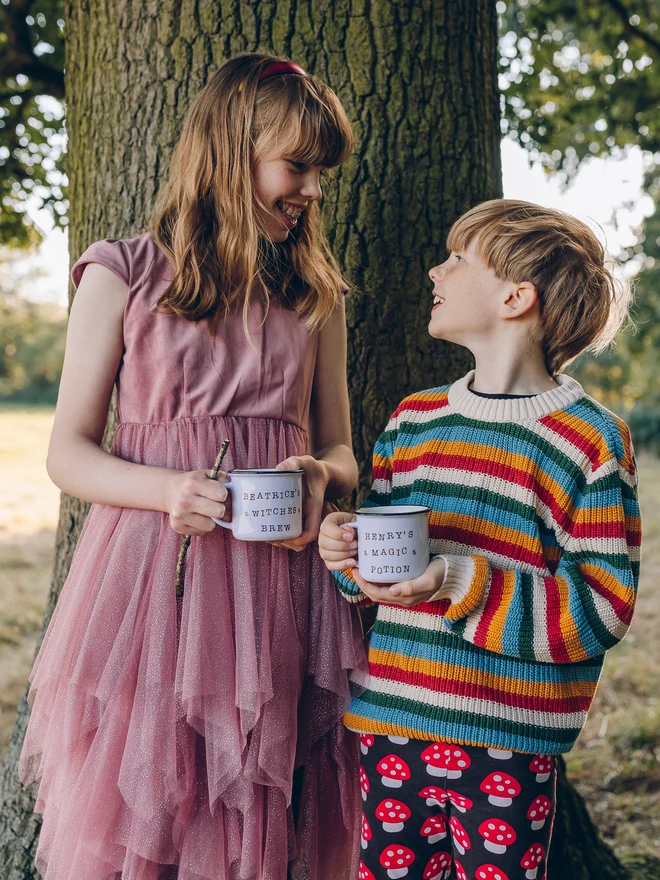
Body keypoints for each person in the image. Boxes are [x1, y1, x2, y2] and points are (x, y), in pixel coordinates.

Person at [19, 52, 367, 880]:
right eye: (297, 166)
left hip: (278, 589)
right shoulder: (123, 275)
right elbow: (68, 451)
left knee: (267, 797)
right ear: (230, 150)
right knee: (153, 793)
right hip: (151, 586)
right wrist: (169, 488)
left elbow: (343, 447)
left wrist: (320, 477)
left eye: (322, 173)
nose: (313, 190)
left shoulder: (313, 296)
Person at [319, 199, 641, 880]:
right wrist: (345, 553)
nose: (436, 271)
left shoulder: (589, 442)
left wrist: (456, 580)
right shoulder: (415, 419)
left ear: (516, 297)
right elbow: (376, 572)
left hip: (507, 746)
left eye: (458, 258)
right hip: (392, 725)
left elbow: (602, 609)